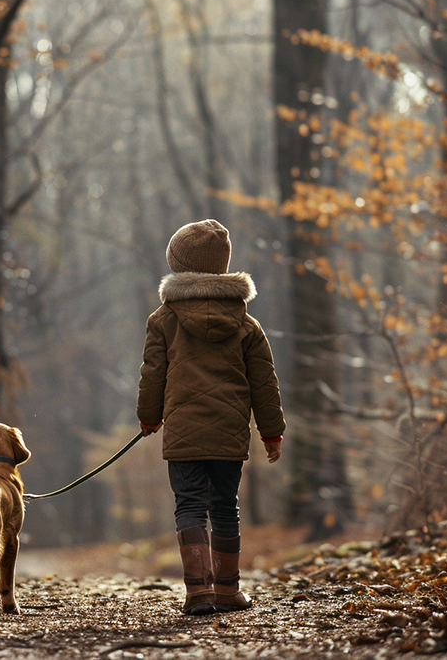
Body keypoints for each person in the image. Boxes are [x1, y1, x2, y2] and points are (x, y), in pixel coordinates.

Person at [137, 219, 285, 615]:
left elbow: (153, 375)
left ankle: (198, 592)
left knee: (189, 505)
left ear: (178, 265)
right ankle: (227, 591)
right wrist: (271, 433)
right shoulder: (247, 325)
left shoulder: (163, 320)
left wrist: (149, 418)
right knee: (224, 507)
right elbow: (264, 384)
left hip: (183, 432)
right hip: (229, 432)